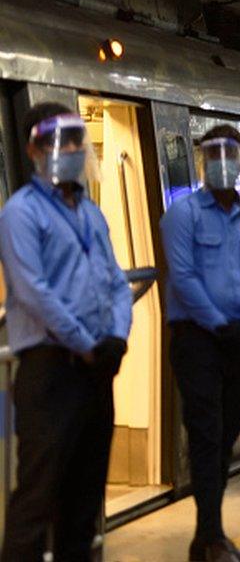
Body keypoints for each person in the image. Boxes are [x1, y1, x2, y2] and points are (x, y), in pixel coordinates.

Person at [0, 103, 133, 562]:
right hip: (50, 370)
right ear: (34, 148)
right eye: (64, 142)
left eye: (79, 141)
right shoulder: (21, 213)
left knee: (84, 498)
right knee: (38, 495)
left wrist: (116, 336)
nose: (74, 150)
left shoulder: (91, 214)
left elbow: (115, 280)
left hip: (96, 369)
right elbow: (33, 291)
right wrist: (87, 344)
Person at [161, 126, 240, 562]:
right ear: (201, 161)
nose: (223, 161)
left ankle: (208, 538)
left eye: (231, 154)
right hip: (197, 341)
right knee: (206, 435)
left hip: (239, 341)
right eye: (214, 153)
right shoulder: (183, 215)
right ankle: (212, 540)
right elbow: (183, 275)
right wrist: (218, 324)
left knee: (225, 438)